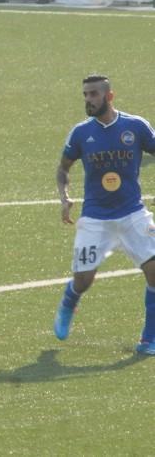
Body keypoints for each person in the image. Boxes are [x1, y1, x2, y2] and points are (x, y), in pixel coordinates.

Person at [52, 75, 155, 354]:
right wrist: (65, 197)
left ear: (109, 96)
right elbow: (63, 169)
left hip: (133, 213)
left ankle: (149, 338)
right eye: (85, 94)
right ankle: (69, 301)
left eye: (93, 94)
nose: (88, 99)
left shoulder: (135, 126)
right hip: (96, 218)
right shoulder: (81, 133)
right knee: (84, 280)